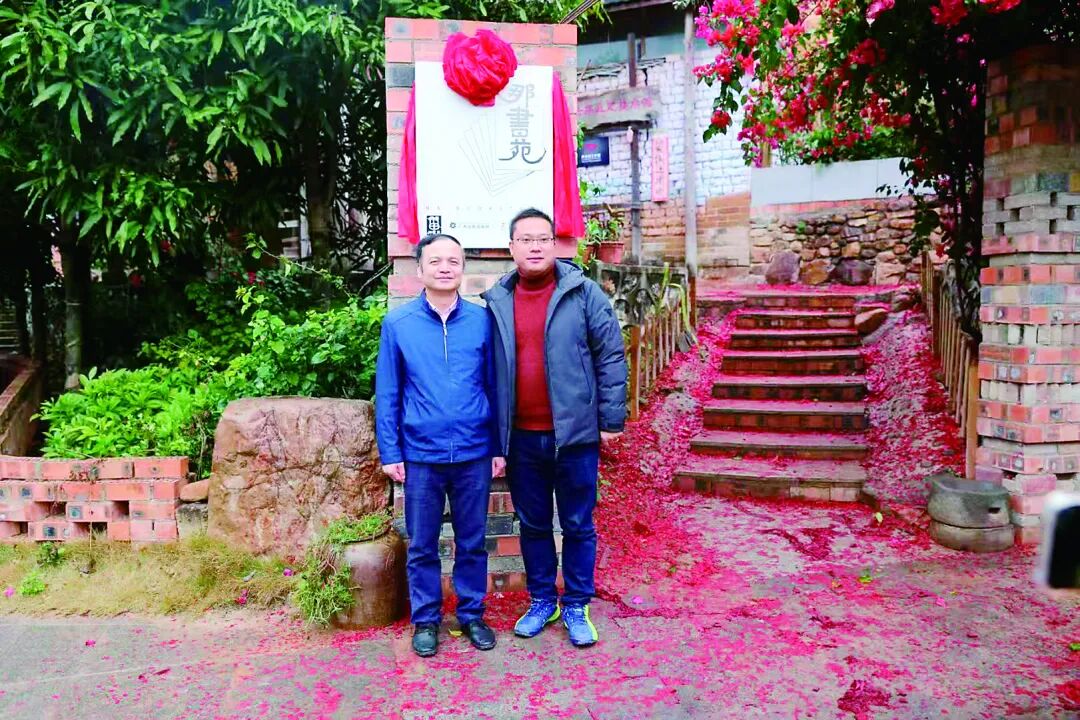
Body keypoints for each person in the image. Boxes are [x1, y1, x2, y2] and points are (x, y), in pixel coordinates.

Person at [481, 208, 627, 648]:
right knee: (533, 524)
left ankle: (577, 603)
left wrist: (611, 419)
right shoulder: (497, 301)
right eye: (525, 239)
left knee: (578, 523)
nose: (535, 246)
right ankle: (543, 599)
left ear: (555, 244)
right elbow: (488, 372)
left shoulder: (583, 293)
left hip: (575, 435)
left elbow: (611, 355)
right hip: (522, 438)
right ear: (511, 248)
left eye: (542, 238)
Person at [375, 233, 506, 658]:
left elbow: (495, 387)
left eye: (453, 260)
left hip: (473, 451)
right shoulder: (399, 324)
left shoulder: (482, 322)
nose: (445, 267)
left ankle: (471, 615)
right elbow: (389, 391)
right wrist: (391, 451)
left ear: (462, 268)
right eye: (436, 261)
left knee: (472, 541)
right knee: (422, 544)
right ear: (420, 270)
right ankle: (426, 620)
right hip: (421, 454)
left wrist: (498, 446)